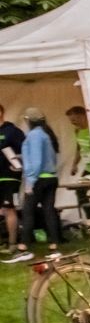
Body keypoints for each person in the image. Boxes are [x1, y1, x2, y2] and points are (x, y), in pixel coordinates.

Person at [7, 107, 64, 264]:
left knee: (28, 212)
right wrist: (22, 161)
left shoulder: (34, 135)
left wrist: (30, 181)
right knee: (49, 212)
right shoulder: (46, 134)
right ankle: (55, 247)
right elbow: (47, 159)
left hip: (39, 179)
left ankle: (23, 248)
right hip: (51, 178)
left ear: (27, 120)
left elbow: (37, 161)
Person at [64, 106, 90, 225]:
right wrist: (74, 164)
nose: (73, 123)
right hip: (88, 168)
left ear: (83, 116)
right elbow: (79, 148)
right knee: (80, 191)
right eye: (71, 120)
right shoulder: (77, 131)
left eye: (74, 119)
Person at [0, 104, 23, 256]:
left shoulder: (12, 131)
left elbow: (25, 151)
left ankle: (13, 243)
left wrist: (18, 164)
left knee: (9, 209)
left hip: (9, 176)